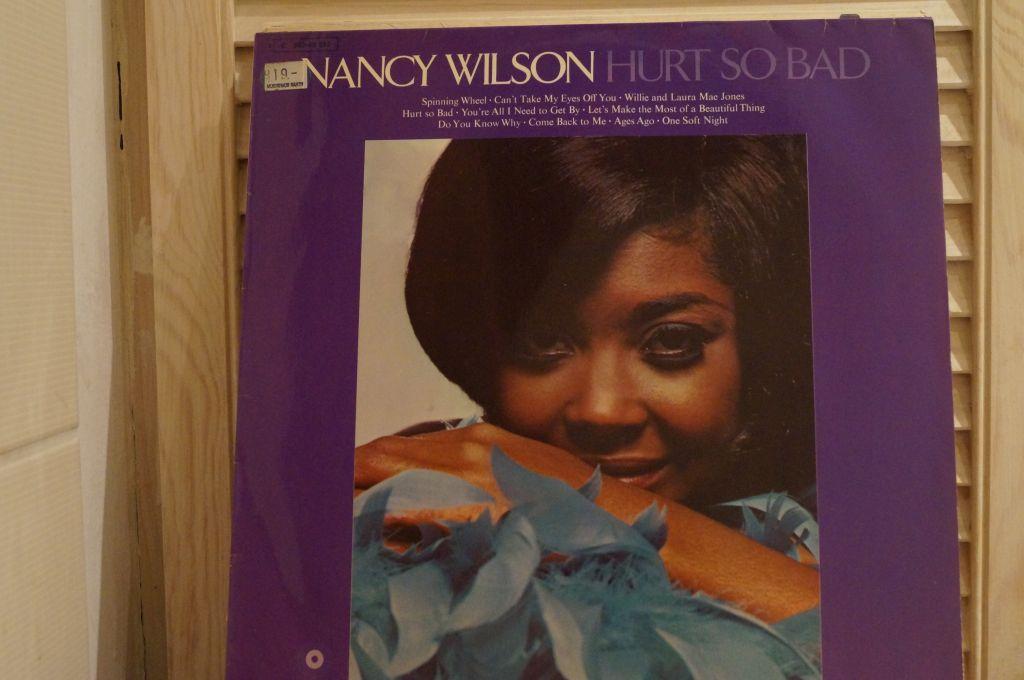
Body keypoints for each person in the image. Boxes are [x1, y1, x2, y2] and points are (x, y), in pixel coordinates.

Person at [355, 135, 819, 623]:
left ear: (764, 339)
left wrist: (576, 508)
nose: (601, 411)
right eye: (540, 342)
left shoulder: (860, 511)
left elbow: (865, 639)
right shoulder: (400, 529)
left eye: (671, 341)